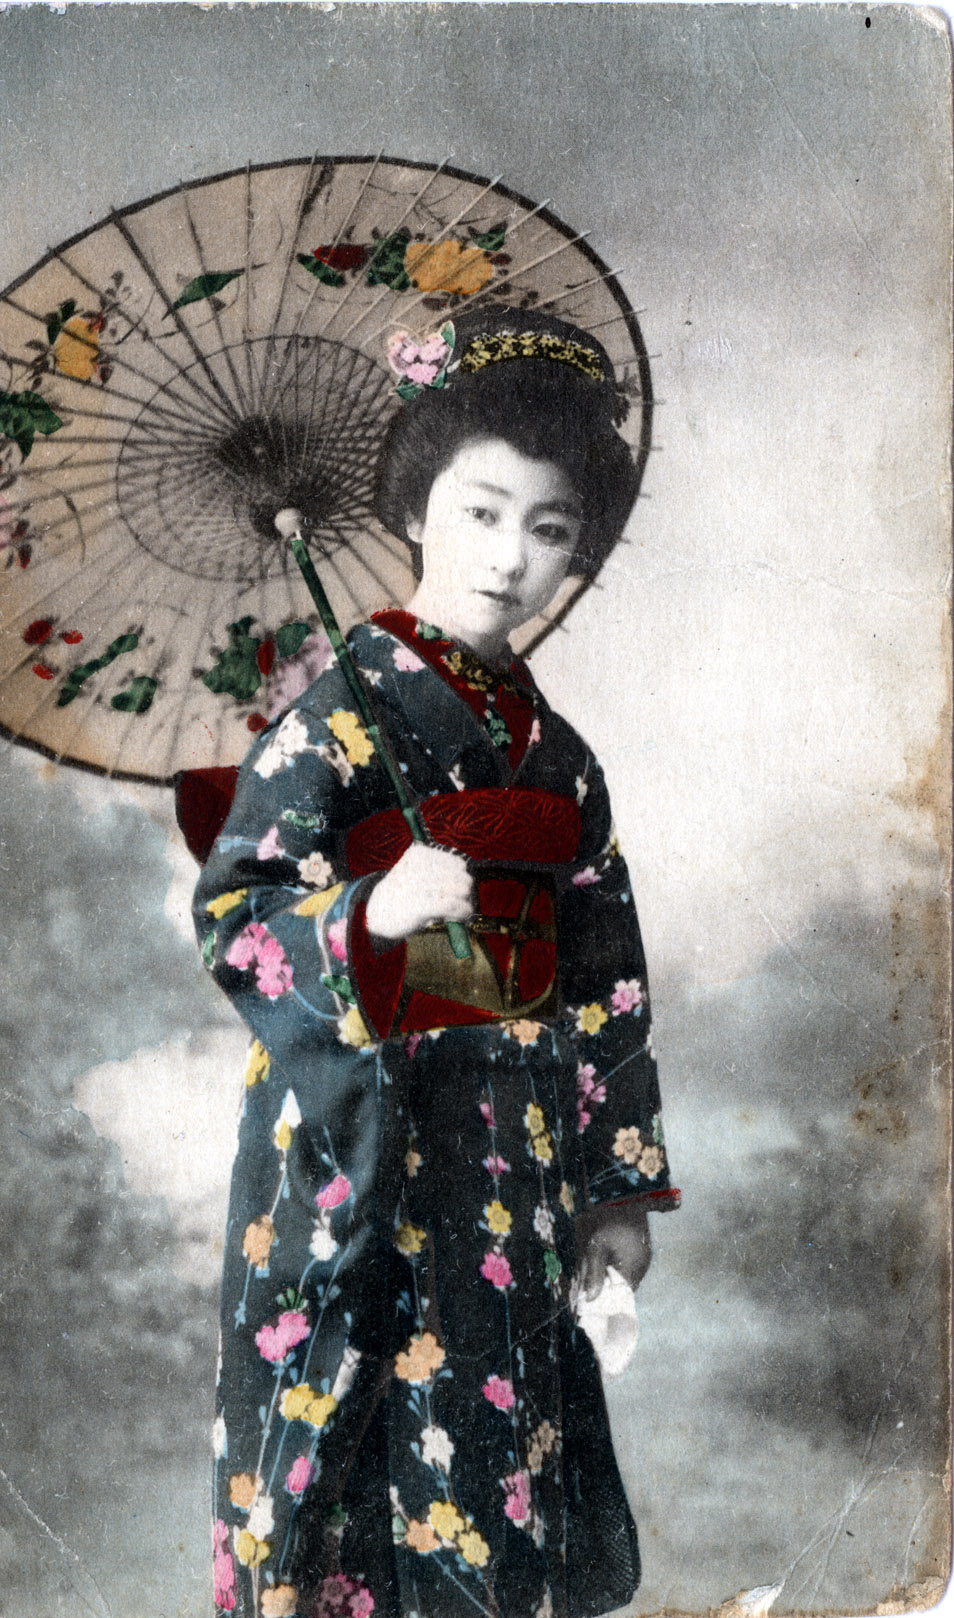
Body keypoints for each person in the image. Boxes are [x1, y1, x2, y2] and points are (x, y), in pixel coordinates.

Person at [194, 306, 678, 1618]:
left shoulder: (560, 760)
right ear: (415, 509)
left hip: (512, 1149)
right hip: (360, 1141)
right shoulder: (332, 720)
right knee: (345, 1452)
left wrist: (615, 1193)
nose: (511, 557)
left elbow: (605, 979)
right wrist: (370, 912)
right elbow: (236, 909)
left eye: (550, 528)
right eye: (480, 512)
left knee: (496, 1438)